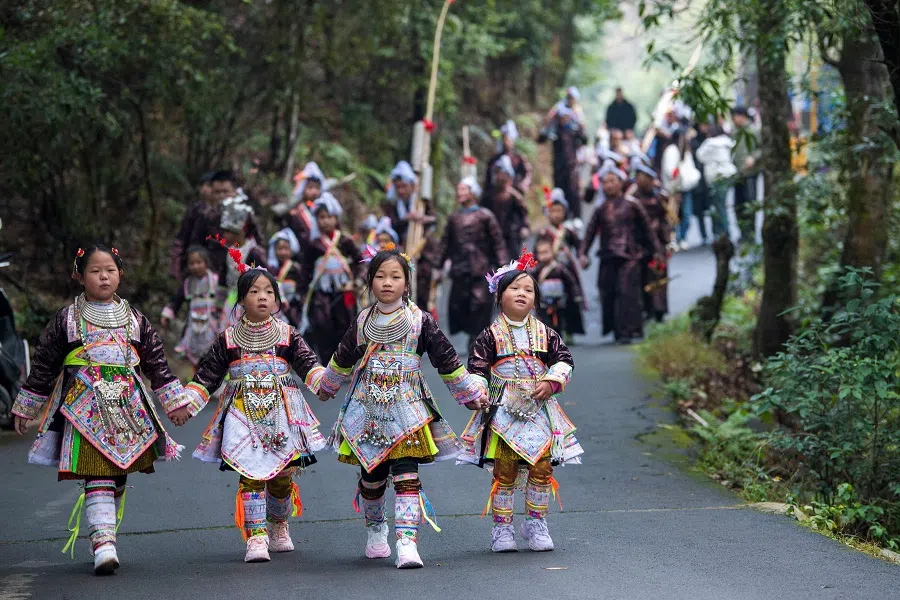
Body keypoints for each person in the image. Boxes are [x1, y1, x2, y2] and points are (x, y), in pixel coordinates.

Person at [12, 245, 188, 575]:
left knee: (117, 473)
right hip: (84, 405)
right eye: (94, 271)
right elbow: (45, 365)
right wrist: (26, 407)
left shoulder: (136, 320)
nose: (103, 276)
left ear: (121, 274)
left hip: (127, 405)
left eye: (110, 269)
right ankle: (103, 543)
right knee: (97, 471)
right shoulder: (66, 319)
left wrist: (175, 404)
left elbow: (157, 365)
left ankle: (105, 530)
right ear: (78, 276)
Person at [316, 246, 486, 568]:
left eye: (395, 276)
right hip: (367, 410)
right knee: (373, 476)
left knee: (408, 474)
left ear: (407, 283)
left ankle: (407, 542)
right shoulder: (363, 321)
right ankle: (376, 530)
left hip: (408, 409)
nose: (387, 282)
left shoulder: (420, 321)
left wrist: (469, 393)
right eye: (380, 276)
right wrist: (326, 386)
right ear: (369, 281)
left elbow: (446, 361)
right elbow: (341, 358)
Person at [177, 267, 327, 563]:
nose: (262, 297)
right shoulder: (228, 340)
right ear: (242, 299)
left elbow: (309, 365)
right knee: (249, 474)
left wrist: (326, 383)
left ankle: (279, 525)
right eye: (255, 292)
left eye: (269, 292)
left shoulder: (287, 336)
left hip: (282, 415)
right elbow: (207, 377)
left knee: (283, 475)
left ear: (276, 299)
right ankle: (256, 536)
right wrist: (185, 404)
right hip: (241, 414)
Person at [458, 253, 581, 553]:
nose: (522, 293)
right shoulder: (488, 336)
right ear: (499, 297)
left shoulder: (547, 334)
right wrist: (479, 391)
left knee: (541, 466)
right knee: (506, 469)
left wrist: (552, 381)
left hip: (539, 410)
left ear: (536, 300)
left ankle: (537, 523)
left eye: (528, 289)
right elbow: (476, 370)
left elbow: (564, 360)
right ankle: (502, 529)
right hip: (502, 410)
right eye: (515, 288)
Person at [579, 163, 663, 344]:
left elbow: (648, 230)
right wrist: (583, 253)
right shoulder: (601, 209)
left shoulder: (633, 204)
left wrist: (657, 252)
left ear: (621, 182)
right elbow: (589, 234)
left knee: (627, 293)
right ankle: (616, 329)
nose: (608, 185)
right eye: (605, 182)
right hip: (608, 256)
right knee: (608, 293)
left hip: (630, 256)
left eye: (612, 181)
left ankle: (629, 330)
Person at [437, 177, 510, 354]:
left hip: (481, 271)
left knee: (480, 305)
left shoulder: (485, 216)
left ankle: (477, 341)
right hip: (460, 271)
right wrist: (437, 266)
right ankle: (474, 336)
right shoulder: (454, 218)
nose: (459, 193)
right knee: (459, 306)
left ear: (472, 193)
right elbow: (445, 244)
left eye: (463, 189)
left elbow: (498, 242)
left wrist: (503, 268)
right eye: (459, 189)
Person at [297, 192, 364, 363]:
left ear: (336, 218)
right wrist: (302, 292)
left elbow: (360, 261)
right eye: (321, 217)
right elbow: (306, 269)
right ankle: (329, 365)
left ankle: (346, 363)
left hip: (344, 291)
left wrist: (356, 281)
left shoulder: (345, 241)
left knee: (346, 325)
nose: (325, 221)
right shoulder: (313, 245)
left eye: (329, 217)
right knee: (322, 325)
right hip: (321, 292)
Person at [170, 170, 261, 278]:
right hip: (209, 274)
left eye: (225, 191)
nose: (222, 196)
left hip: (240, 272)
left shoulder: (245, 215)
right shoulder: (205, 216)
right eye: (217, 192)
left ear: (235, 191)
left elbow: (257, 243)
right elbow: (193, 244)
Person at [381, 160, 439, 311]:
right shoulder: (392, 205)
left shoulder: (422, 202)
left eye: (404, 187)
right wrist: (406, 219)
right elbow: (390, 226)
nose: (401, 191)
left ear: (412, 186)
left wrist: (422, 218)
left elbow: (434, 220)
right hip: (402, 251)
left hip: (422, 250)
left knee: (422, 286)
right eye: (398, 187)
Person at [535, 188, 585, 340]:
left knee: (570, 300)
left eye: (559, 210)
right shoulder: (543, 233)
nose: (556, 214)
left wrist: (582, 256)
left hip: (565, 269)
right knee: (547, 302)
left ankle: (570, 330)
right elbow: (535, 252)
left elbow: (580, 246)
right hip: (548, 271)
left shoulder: (568, 231)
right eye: (553, 211)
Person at [160, 245, 220, 366]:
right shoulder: (187, 283)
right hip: (193, 327)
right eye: (192, 263)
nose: (196, 266)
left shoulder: (215, 280)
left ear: (206, 263)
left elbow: (223, 300)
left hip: (213, 326)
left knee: (214, 356)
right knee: (196, 360)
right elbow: (177, 300)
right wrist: (167, 314)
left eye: (199, 262)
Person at [215, 191, 267, 326]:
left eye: (227, 231)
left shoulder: (254, 252)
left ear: (241, 230)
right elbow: (223, 280)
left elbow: (264, 279)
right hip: (232, 303)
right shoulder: (229, 252)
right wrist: (218, 307)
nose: (224, 234)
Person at [540, 88, 587, 218]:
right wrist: (549, 122)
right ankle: (561, 218)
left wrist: (580, 129)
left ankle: (577, 218)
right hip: (559, 166)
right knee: (560, 192)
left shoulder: (575, 124)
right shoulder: (555, 129)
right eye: (562, 117)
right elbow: (541, 137)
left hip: (572, 166)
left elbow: (584, 140)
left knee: (573, 192)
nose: (564, 119)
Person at [633, 165, 671, 323]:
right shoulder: (633, 197)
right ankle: (646, 308)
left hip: (658, 242)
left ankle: (659, 309)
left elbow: (669, 218)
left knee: (658, 275)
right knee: (642, 276)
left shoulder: (659, 197)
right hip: (639, 242)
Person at [530, 238, 584, 337]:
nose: (543, 256)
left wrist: (576, 294)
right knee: (544, 323)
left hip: (559, 302)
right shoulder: (536, 270)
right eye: (540, 253)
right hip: (542, 302)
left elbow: (571, 282)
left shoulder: (559, 268)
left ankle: (558, 341)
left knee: (559, 323)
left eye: (546, 252)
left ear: (552, 252)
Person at [481, 155, 531, 260]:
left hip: (511, 236)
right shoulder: (488, 196)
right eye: (498, 173)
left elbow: (523, 213)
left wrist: (524, 227)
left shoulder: (514, 196)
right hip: (492, 238)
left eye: (503, 173)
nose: (500, 177)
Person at [695, 125, 737, 239]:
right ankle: (722, 232)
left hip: (716, 177)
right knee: (721, 204)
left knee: (719, 206)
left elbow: (700, 155)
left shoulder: (710, 143)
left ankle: (724, 232)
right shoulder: (728, 142)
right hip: (727, 174)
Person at [730, 106, 762, 243]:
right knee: (738, 205)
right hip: (737, 174)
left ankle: (751, 233)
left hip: (750, 173)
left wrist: (753, 158)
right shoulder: (734, 132)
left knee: (750, 203)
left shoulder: (754, 130)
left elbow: (762, 148)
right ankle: (743, 233)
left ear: (741, 116)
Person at [484, 120, 533, 198]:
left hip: (514, 194)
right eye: (505, 138)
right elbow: (489, 178)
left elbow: (527, 174)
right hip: (496, 196)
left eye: (509, 138)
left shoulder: (519, 158)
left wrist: (522, 186)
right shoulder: (495, 159)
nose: (507, 141)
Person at [267, 229, 303, 327]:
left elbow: (302, 287)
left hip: (293, 308)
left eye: (286, 248)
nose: (283, 252)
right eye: (280, 249)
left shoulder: (296, 268)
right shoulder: (270, 269)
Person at [689, 121, 712, 245]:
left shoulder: (711, 140)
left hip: (709, 179)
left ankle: (715, 234)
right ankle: (704, 235)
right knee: (700, 211)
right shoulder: (693, 142)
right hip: (698, 180)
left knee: (713, 208)